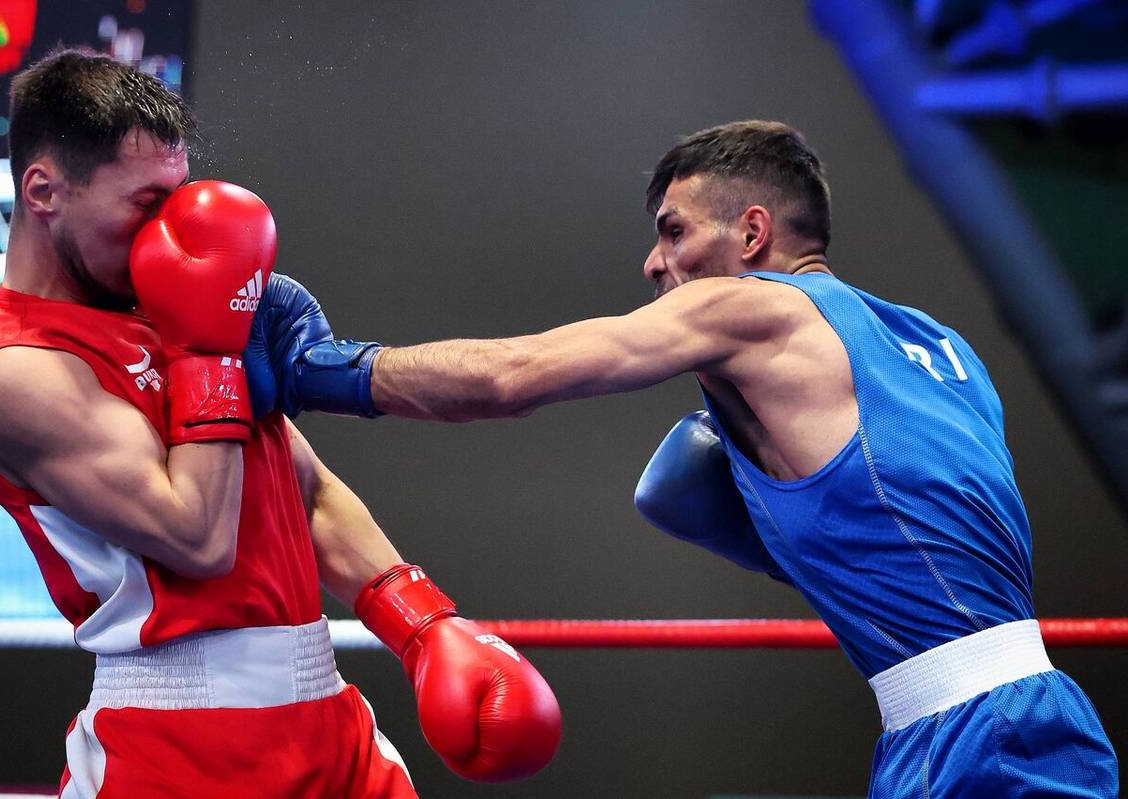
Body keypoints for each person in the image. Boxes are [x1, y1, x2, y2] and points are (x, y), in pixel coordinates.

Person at [248, 120, 1119, 797]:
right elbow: (917, 534)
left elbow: (513, 375)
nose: (653, 262)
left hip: (975, 739)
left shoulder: (753, 309)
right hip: (1016, 717)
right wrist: (772, 516)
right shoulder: (943, 347)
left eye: (673, 231)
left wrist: (325, 370)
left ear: (752, 233)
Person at [0, 48, 559, 798]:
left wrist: (421, 624)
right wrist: (208, 349)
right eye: (146, 204)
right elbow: (196, 536)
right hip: (177, 746)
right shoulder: (19, 371)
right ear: (44, 191)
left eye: (178, 198)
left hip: (328, 722)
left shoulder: (165, 313)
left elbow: (304, 488)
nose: (167, 230)